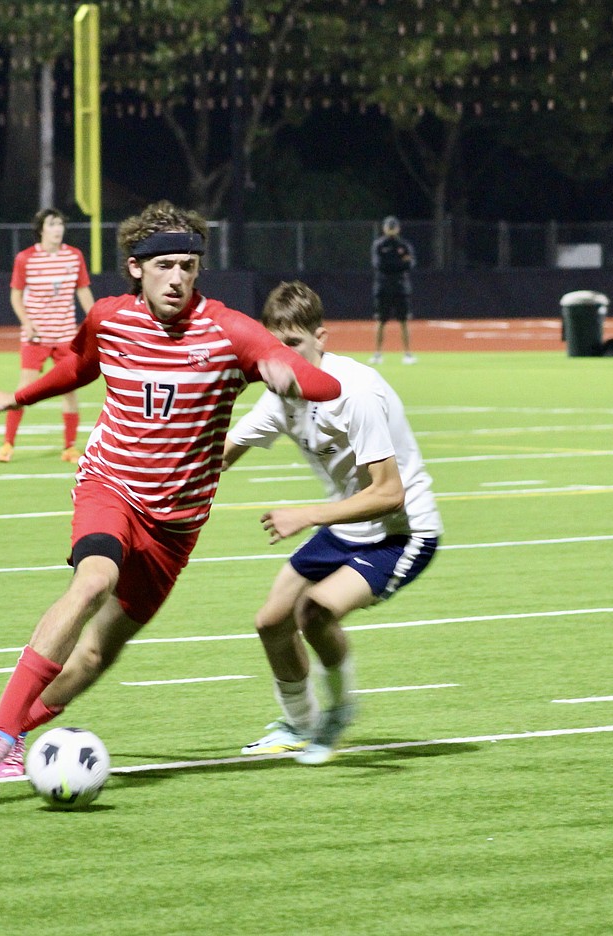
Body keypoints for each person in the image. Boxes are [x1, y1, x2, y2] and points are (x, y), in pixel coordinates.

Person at [0, 201, 342, 780]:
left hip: (175, 528)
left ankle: (18, 737)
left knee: (92, 658)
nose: (178, 277)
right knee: (93, 580)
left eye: (188, 265)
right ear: (137, 267)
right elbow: (79, 368)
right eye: (165, 265)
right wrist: (17, 397)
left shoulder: (230, 332)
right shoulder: (110, 318)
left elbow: (324, 382)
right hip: (109, 486)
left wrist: (293, 376)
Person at [222, 281, 443, 765]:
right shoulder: (280, 397)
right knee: (270, 622)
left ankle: (340, 709)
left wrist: (305, 515)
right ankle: (297, 725)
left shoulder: (354, 393)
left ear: (321, 338)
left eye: (296, 346)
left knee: (316, 613)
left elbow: (389, 494)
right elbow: (220, 457)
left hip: (401, 531)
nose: (286, 360)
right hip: (346, 524)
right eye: (276, 348)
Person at [0, 207, 96, 464]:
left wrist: (95, 319)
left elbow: (83, 291)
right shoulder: (25, 258)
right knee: (24, 390)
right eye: (52, 224)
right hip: (36, 337)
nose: (58, 228)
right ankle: (8, 443)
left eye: (60, 224)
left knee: (70, 390)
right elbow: (16, 295)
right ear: (41, 229)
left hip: (65, 336)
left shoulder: (74, 256)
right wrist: (27, 323)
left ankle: (70, 447)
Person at [371, 215, 417, 365]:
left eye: (393, 226)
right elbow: (379, 265)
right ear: (384, 228)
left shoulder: (403, 245)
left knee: (404, 321)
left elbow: (410, 264)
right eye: (388, 227)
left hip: (400, 287)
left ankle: (408, 354)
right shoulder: (379, 245)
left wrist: (394, 263)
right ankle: (378, 354)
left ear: (398, 228)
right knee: (381, 321)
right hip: (383, 287)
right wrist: (399, 263)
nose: (391, 230)